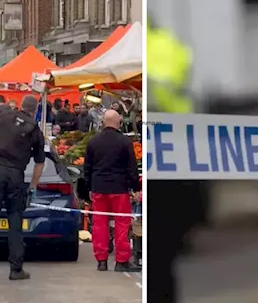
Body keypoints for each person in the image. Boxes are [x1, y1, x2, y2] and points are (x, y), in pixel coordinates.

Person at [148, 24, 207, 303]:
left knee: (159, 262)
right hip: (176, 153)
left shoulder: (159, 45)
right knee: (164, 264)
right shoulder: (169, 43)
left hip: (165, 156)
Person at [0, 95, 45, 280]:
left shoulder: (6, 116)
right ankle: (16, 269)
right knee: (15, 222)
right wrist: (32, 186)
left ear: (20, 106)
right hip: (16, 174)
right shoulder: (35, 131)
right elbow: (39, 163)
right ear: (35, 110)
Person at [84, 110, 140, 272]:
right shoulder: (124, 142)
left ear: (103, 122)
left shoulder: (93, 142)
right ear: (118, 122)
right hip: (119, 188)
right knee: (121, 224)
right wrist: (135, 188)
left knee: (99, 225)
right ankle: (121, 261)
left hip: (99, 188)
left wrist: (89, 187)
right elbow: (132, 167)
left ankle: (101, 261)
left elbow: (87, 168)